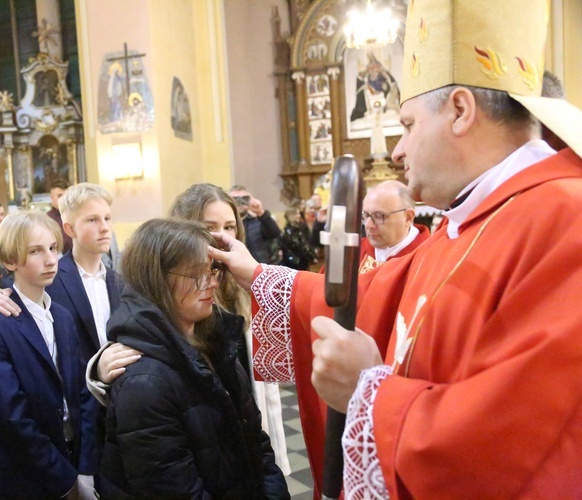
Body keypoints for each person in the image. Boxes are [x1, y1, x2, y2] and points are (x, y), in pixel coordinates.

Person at [209, 0, 582, 497]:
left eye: (407, 125)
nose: (397, 150)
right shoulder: (469, 220)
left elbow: (509, 440)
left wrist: (370, 393)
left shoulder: (562, 219)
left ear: (460, 111)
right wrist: (257, 273)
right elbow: (379, 292)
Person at [97, 218, 289, 498]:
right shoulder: (144, 382)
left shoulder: (213, 341)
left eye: (213, 271)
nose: (212, 283)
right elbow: (176, 489)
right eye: (198, 275)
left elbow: (256, 444)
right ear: (158, 280)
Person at [0, 210, 96, 499]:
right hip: (26, 472)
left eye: (53, 248)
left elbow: (81, 392)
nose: (51, 259)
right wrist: (66, 479)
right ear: (10, 260)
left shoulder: (62, 316)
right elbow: (11, 415)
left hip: (73, 456)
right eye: (36, 251)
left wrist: (86, 466)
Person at [45, 182, 124, 479]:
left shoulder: (120, 280)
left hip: (120, 408)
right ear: (70, 228)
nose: (104, 227)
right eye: (92, 220)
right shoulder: (52, 281)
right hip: (77, 412)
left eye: (107, 218)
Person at [358, 180, 430, 274]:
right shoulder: (355, 251)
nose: (368, 225)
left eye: (379, 216)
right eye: (366, 215)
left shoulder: (428, 256)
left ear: (408, 218)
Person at [229, 185, 281, 264]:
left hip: (259, 268)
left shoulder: (258, 220)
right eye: (235, 199)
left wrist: (260, 212)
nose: (240, 202)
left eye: (244, 198)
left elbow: (275, 233)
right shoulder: (225, 224)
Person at [280, 205, 318, 271]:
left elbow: (306, 242)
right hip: (296, 264)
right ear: (291, 215)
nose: (299, 215)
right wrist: (311, 256)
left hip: (302, 262)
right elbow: (300, 246)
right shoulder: (289, 232)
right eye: (297, 214)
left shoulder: (299, 228)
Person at [46, 178, 73, 255]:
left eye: (66, 196)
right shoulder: (47, 220)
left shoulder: (76, 216)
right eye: (60, 196)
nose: (63, 200)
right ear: (52, 197)